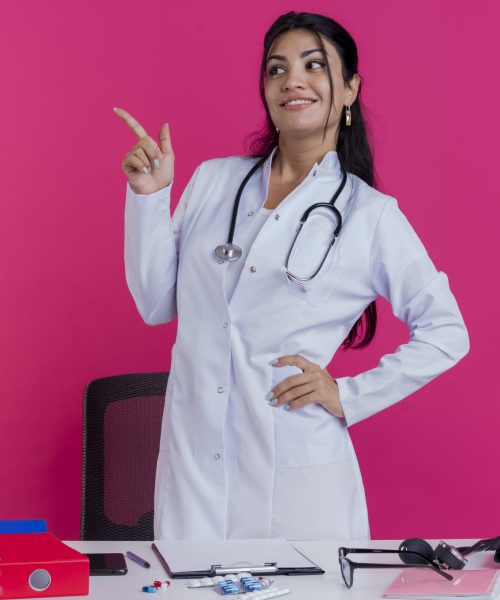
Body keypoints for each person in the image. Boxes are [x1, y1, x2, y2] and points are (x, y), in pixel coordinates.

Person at [116, 11, 469, 540]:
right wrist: (149, 197)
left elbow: (447, 332)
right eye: (276, 69)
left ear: (350, 89)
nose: (292, 81)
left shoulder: (368, 215)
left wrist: (348, 397)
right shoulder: (215, 181)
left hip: (298, 482)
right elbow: (153, 304)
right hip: (194, 474)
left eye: (314, 66)